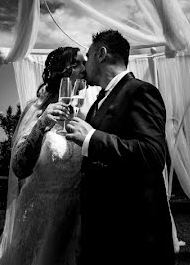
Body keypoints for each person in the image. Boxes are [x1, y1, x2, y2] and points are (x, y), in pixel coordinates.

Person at [65, 30, 173, 265]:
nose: (85, 65)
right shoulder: (97, 103)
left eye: (89, 55)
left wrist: (92, 138)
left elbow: (153, 154)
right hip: (101, 236)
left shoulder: (140, 92)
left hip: (134, 238)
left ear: (101, 54)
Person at [0, 46, 88, 265]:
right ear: (65, 70)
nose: (85, 67)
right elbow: (19, 166)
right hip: (38, 213)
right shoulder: (38, 108)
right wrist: (42, 124)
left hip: (75, 217)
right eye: (79, 62)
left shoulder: (86, 110)